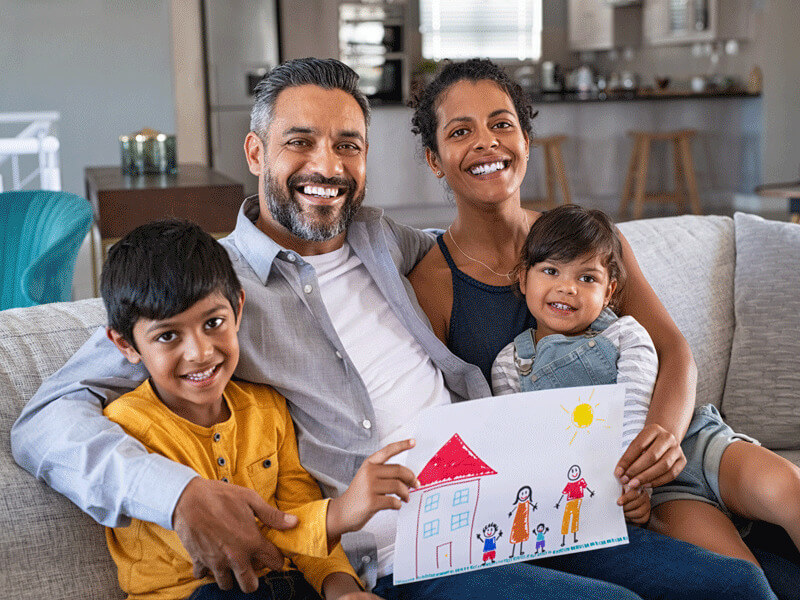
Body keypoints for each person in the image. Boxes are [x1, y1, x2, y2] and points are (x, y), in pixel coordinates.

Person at [11, 58, 645, 600]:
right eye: (301, 141)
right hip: (401, 556)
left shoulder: (385, 241)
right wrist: (177, 495)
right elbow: (45, 420)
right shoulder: (207, 292)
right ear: (256, 151)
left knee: (725, 585)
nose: (328, 165)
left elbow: (488, 253)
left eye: (348, 144)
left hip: (508, 506)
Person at [407, 58, 781, 599]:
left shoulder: (589, 241)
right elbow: (458, 433)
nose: (486, 142)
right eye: (460, 132)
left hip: (660, 461)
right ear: (434, 159)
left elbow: (675, 351)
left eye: (502, 123)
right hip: (572, 500)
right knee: (742, 585)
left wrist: (664, 440)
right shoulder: (433, 283)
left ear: (527, 140)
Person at [99, 219, 422, 599]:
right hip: (202, 591)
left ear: (238, 309)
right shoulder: (127, 427)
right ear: (126, 345)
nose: (200, 353)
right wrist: (338, 514)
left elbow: (298, 505)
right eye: (168, 336)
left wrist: (342, 589)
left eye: (213, 323)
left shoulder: (265, 407)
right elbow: (230, 545)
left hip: (288, 587)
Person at [491, 204, 800, 596]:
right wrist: (633, 494)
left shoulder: (627, 335)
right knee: (740, 575)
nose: (567, 287)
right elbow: (529, 447)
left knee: (788, 487)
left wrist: (638, 480)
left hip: (696, 443)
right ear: (522, 278)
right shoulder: (510, 364)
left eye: (587, 278)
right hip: (657, 493)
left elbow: (635, 413)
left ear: (610, 291)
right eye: (550, 271)